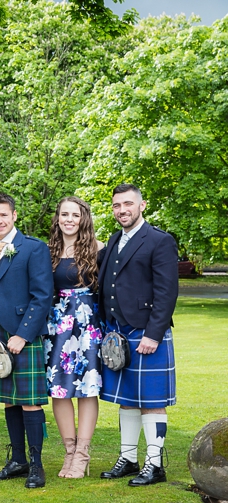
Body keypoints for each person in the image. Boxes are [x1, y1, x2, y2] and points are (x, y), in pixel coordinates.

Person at [97, 184, 179, 486]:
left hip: (145, 333)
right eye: (117, 206)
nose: (122, 210)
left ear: (142, 205)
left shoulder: (159, 240)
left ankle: (155, 465)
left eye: (128, 204)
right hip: (118, 333)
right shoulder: (115, 240)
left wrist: (154, 334)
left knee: (151, 401)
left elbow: (167, 291)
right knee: (128, 400)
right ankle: (129, 458)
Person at [0, 193, 54, 489]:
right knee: (10, 400)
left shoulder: (33, 248)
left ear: (14, 215)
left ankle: (36, 465)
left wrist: (23, 334)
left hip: (22, 333)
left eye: (3, 215)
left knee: (30, 402)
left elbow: (42, 295)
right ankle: (18, 460)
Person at [45, 197, 105, 479]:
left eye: (75, 215)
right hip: (58, 326)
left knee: (87, 388)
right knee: (59, 389)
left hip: (87, 325)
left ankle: (82, 454)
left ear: (84, 218)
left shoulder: (99, 250)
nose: (69, 219)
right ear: (58, 217)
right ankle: (69, 452)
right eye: (64, 214)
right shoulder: (49, 251)